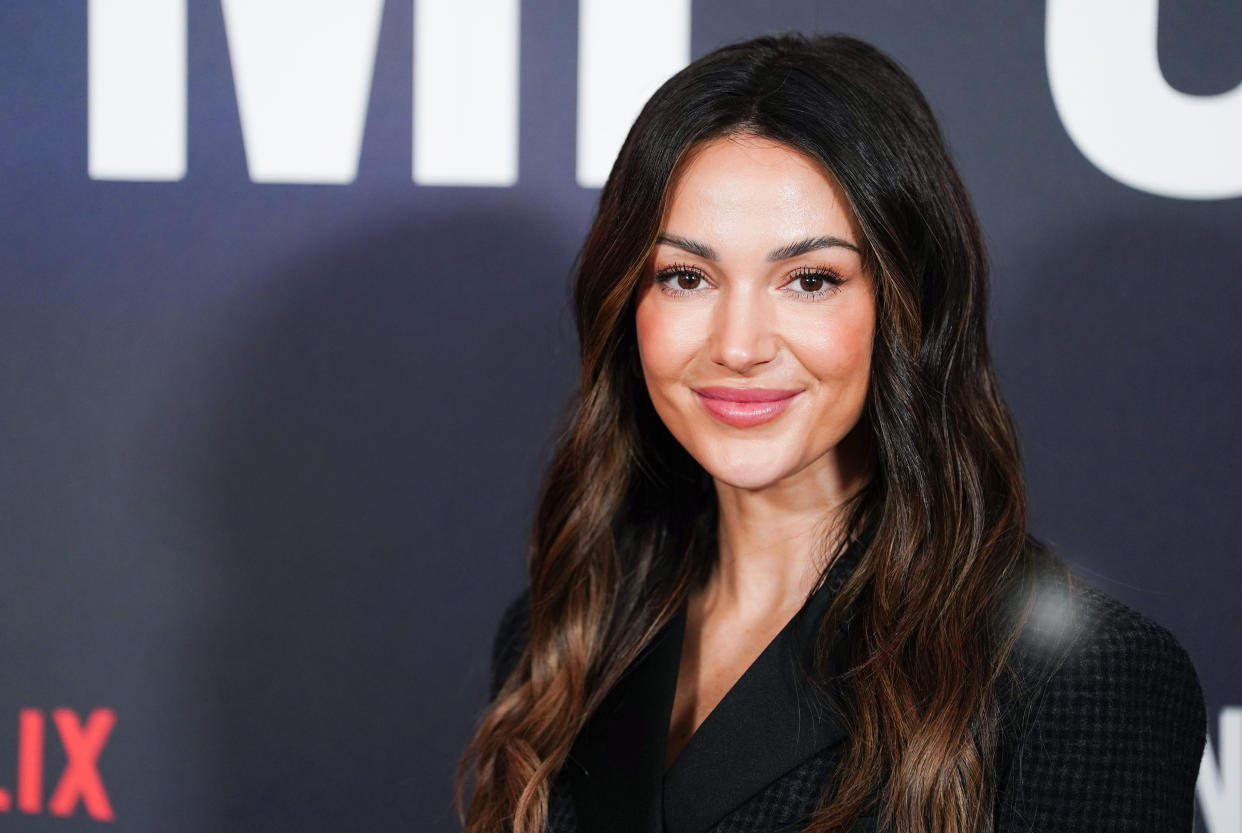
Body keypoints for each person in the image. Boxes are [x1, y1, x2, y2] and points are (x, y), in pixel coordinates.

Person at [455, 32, 1207, 833]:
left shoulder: (1077, 681)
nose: (738, 344)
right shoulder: (563, 635)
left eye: (810, 280)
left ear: (908, 306)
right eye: (686, 276)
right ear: (627, 303)